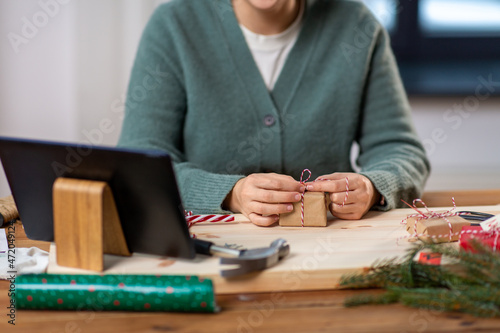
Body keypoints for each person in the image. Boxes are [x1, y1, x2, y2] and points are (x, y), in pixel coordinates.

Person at [118, 0, 430, 227]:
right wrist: (231, 194)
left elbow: (401, 151)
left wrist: (371, 186)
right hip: (211, 251)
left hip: (331, 247)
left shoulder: (357, 26)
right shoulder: (174, 25)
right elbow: (139, 165)